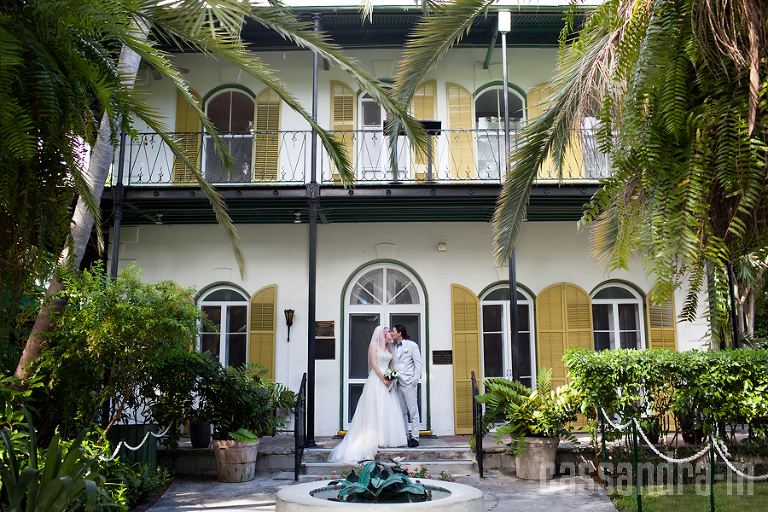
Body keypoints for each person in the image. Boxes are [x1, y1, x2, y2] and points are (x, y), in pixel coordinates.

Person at [328, 326, 407, 464]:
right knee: (374, 408)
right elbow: (374, 364)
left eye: (390, 331)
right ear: (382, 334)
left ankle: (388, 438)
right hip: (376, 380)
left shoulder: (389, 347)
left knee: (387, 408)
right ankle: (376, 438)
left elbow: (391, 364)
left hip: (388, 381)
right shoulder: (374, 345)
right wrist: (383, 378)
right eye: (388, 331)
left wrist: (391, 377)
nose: (389, 334)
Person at [391, 324, 422, 447]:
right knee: (402, 412)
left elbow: (418, 364)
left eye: (393, 331)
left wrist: (415, 380)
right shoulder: (393, 347)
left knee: (413, 411)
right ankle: (405, 435)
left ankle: (415, 437)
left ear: (399, 333)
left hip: (409, 383)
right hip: (397, 383)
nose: (392, 333)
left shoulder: (412, 345)